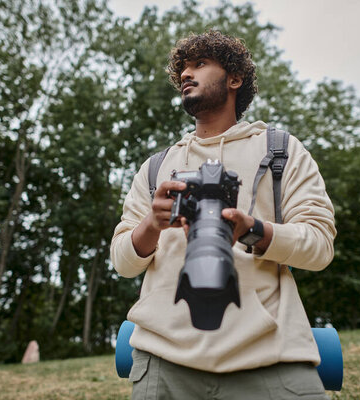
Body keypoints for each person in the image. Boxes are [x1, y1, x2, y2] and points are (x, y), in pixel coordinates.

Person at [110, 30, 336, 400]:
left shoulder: (280, 151)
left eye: (199, 64)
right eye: (182, 69)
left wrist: (254, 231)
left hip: (271, 356)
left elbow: (320, 246)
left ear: (235, 78)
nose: (186, 74)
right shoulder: (156, 168)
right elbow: (122, 261)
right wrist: (152, 224)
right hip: (163, 361)